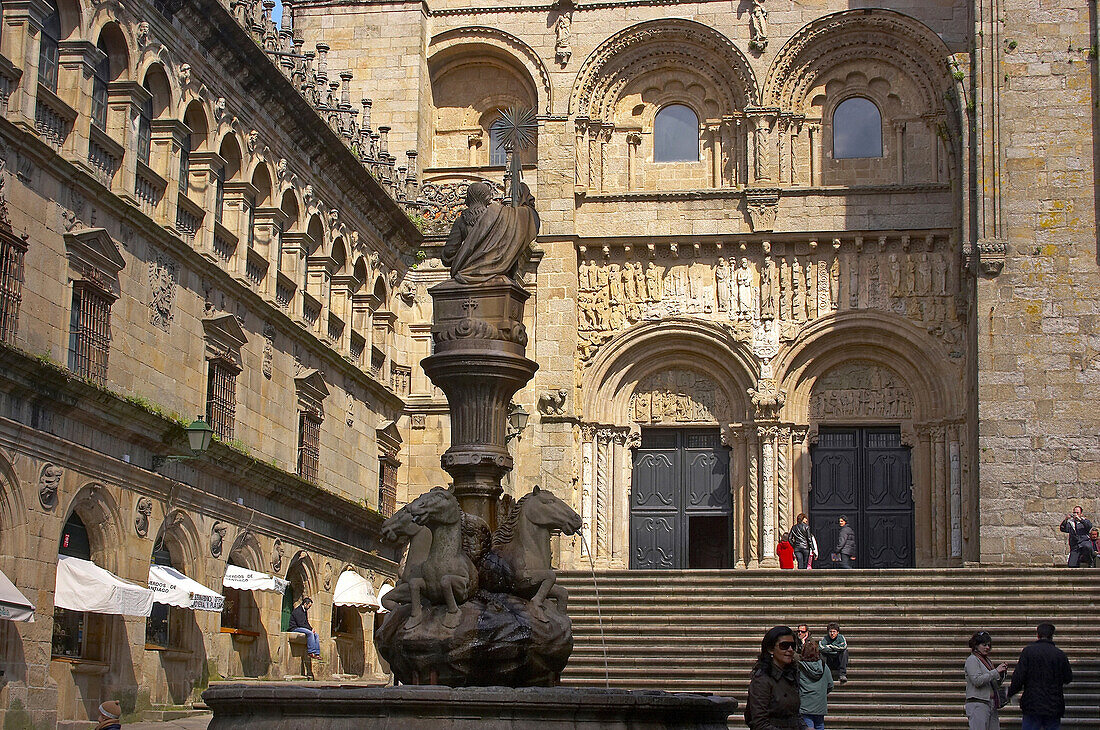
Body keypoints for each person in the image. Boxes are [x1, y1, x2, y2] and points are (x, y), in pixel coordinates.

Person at [441, 181, 540, 285]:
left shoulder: (461, 221)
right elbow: (526, 217)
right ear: (487, 198)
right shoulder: (500, 217)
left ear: (468, 199)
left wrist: (465, 258)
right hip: (497, 270)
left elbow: (448, 254)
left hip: (464, 273)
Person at [1006, 623, 1073, 730]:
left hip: (1032, 703)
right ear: (1052, 636)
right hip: (1054, 704)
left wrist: (1011, 692)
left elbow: (1019, 676)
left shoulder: (1028, 652)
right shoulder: (1060, 655)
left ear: (1038, 635)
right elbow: (1068, 678)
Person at [745, 625, 802, 730]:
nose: (790, 650)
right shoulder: (762, 680)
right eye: (784, 645)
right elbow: (759, 722)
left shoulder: (791, 675)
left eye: (793, 646)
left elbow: (794, 714)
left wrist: (806, 728)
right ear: (771, 649)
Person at [965, 631, 1008, 730]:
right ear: (976, 645)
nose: (987, 647)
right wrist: (995, 671)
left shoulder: (987, 660)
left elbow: (993, 683)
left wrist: (1001, 675)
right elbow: (977, 681)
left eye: (989, 645)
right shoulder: (972, 660)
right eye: (984, 645)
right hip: (978, 703)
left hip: (990, 703)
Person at [798, 640, 833, 730]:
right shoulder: (824, 667)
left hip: (805, 705)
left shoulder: (800, 667)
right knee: (820, 726)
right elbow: (830, 685)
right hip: (820, 705)